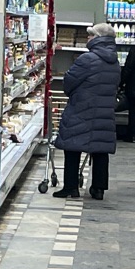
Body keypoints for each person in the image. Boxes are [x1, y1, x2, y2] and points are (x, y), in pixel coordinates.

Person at [56, 22, 119, 199]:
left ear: (98, 38)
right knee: (100, 149)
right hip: (104, 110)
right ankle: (98, 189)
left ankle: (70, 187)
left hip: (81, 109)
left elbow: (69, 83)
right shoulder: (114, 61)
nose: (88, 38)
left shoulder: (87, 59)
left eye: (90, 35)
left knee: (72, 146)